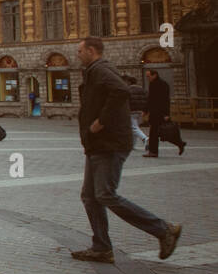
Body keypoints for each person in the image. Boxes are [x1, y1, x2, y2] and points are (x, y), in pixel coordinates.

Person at [74, 37, 181, 262]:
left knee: (105, 194)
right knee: (90, 196)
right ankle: (102, 247)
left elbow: (121, 91)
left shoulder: (101, 69)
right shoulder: (95, 70)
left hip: (109, 143)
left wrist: (100, 122)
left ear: (91, 51)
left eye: (80, 51)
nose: (78, 55)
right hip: (99, 144)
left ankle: (164, 230)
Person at [143, 68, 186, 157]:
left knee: (162, 132)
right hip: (155, 112)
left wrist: (166, 114)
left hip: (160, 113)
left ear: (154, 75)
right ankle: (179, 143)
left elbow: (166, 100)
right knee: (157, 132)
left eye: (148, 76)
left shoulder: (163, 84)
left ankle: (154, 152)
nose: (147, 78)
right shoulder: (152, 84)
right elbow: (150, 99)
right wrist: (146, 110)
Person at [124, 75, 149, 149]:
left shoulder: (128, 90)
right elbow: (147, 99)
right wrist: (145, 110)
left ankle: (144, 138)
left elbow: (126, 101)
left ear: (129, 82)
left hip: (131, 110)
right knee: (135, 127)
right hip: (140, 111)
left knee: (133, 127)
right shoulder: (142, 89)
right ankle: (132, 145)